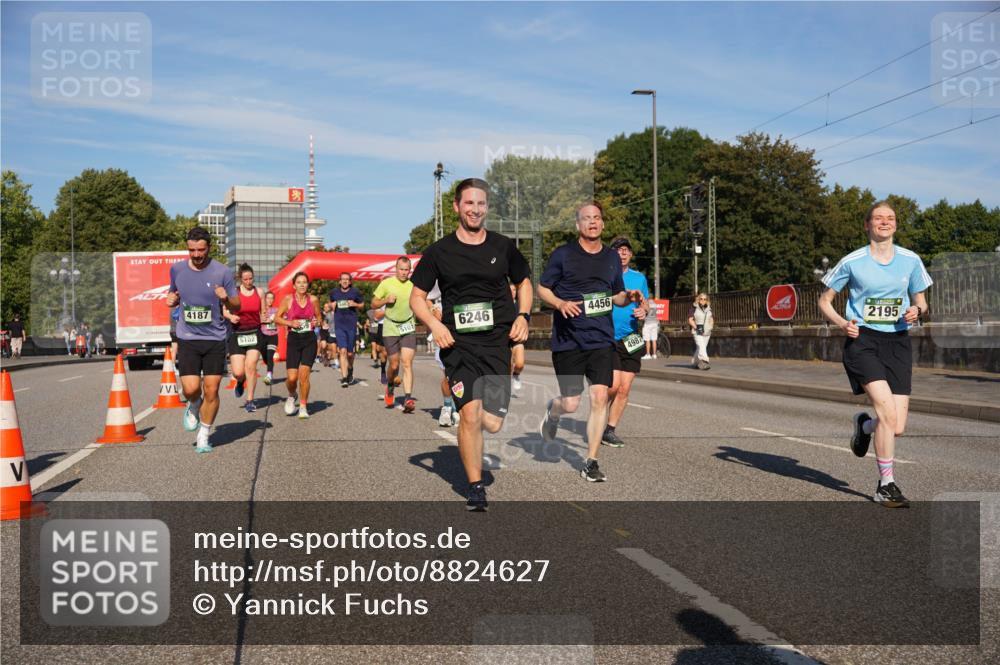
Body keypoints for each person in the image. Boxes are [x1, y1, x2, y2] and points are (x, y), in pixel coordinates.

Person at [411, 177, 532, 510]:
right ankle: (476, 486)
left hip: (497, 345)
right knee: (469, 415)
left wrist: (523, 316)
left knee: (491, 422)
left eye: (481, 204)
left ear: (486, 208)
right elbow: (417, 298)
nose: (475, 209)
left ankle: (478, 454)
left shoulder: (503, 246)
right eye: (469, 203)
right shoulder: (439, 251)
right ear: (456, 206)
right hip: (458, 346)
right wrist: (434, 324)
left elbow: (524, 282)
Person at [818, 201, 932, 508]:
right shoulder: (852, 262)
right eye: (878, 218)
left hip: (897, 342)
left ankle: (864, 426)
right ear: (867, 225)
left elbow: (922, 302)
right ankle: (886, 485)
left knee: (896, 427)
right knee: (886, 411)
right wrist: (843, 323)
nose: (885, 222)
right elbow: (825, 300)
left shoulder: (910, 260)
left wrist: (916, 310)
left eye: (890, 218)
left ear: (895, 225)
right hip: (864, 341)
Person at [537, 202, 644, 483]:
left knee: (599, 397)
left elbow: (616, 296)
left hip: (600, 339)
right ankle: (554, 410)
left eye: (597, 218)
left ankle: (591, 461)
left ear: (603, 224)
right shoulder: (563, 255)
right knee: (571, 404)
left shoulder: (611, 258)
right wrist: (560, 303)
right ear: (578, 225)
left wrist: (629, 297)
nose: (592, 223)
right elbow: (542, 288)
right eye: (586, 219)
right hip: (568, 339)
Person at [165, 226, 240, 453]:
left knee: (212, 390)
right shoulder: (177, 270)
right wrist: (171, 300)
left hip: (215, 339)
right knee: (190, 389)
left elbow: (237, 305)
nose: (196, 255)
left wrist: (226, 298)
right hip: (187, 337)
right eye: (192, 250)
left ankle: (204, 434)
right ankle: (193, 404)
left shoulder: (222, 272)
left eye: (201, 250)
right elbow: (174, 295)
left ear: (209, 248)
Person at [603, 236, 650, 448]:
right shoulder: (603, 275)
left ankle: (609, 430)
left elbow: (646, 303)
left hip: (631, 337)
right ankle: (597, 416)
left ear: (631, 254)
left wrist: (644, 311)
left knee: (624, 389)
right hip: (607, 337)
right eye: (619, 249)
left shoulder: (639, 278)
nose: (623, 253)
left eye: (626, 250)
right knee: (612, 387)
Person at [372, 257, 417, 413]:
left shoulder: (414, 285)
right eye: (401, 269)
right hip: (390, 326)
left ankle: (408, 398)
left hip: (408, 325)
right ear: (396, 269)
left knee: (407, 363)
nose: (404, 273)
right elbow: (373, 303)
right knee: (394, 365)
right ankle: (390, 386)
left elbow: (422, 301)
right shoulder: (387, 283)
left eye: (407, 270)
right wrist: (385, 300)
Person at [275, 272, 320, 419]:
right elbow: (277, 318)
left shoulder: (313, 299)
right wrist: (290, 323)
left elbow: (319, 317)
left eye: (305, 282)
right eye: (299, 282)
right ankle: (291, 395)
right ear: (294, 285)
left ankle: (303, 406)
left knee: (304, 375)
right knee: (292, 378)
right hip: (294, 339)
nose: (302, 285)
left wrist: (316, 322)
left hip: (309, 340)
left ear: (308, 284)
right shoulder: (288, 299)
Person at [224, 264, 266, 413]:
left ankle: (250, 400)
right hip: (237, 334)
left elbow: (263, 312)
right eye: (245, 279)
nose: (248, 282)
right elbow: (225, 311)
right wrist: (231, 316)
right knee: (238, 372)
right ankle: (240, 382)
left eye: (251, 278)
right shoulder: (234, 293)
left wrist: (268, 319)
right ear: (240, 279)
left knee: (251, 365)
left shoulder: (259, 292)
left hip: (255, 333)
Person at [330, 272, 365, 388]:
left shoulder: (355, 292)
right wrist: (332, 305)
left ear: (350, 281)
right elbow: (330, 304)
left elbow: (362, 305)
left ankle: (350, 369)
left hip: (351, 325)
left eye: (347, 279)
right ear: (339, 281)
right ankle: (344, 378)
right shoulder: (334, 292)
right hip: (339, 325)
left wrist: (354, 304)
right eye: (342, 279)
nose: (344, 281)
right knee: (343, 351)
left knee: (350, 354)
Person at [688, 293, 714, 370]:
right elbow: (690, 320)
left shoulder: (709, 309)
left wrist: (711, 326)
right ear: (698, 299)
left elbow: (711, 318)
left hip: (707, 332)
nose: (702, 300)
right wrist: (697, 328)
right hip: (697, 331)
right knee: (702, 346)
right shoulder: (694, 308)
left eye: (704, 299)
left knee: (700, 348)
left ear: (707, 300)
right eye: (701, 299)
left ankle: (695, 362)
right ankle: (705, 361)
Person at [509, 283, 526, 394]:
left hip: (516, 339)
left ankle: (516, 375)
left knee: (520, 363)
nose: (512, 292)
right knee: (507, 366)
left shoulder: (520, 305)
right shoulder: (500, 305)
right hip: (503, 340)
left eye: (514, 290)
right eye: (510, 290)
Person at [260, 291, 279, 385]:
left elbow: (285, 317)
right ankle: (270, 368)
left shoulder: (277, 310)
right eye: (268, 298)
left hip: (273, 335)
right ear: (264, 299)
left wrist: (274, 318)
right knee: (265, 357)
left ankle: (269, 374)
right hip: (262, 336)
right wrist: (262, 319)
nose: (270, 300)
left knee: (270, 355)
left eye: (272, 298)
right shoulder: (260, 310)